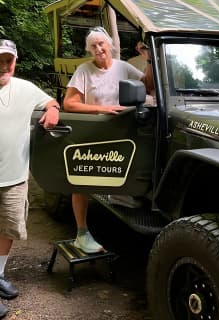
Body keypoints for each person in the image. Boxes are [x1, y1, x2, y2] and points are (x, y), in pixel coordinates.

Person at [63, 27, 154, 255]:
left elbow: (148, 86)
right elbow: (70, 104)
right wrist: (102, 109)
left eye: (101, 44)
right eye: (93, 46)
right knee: (82, 179)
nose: (98, 49)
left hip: (123, 130)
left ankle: (120, 197)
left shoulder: (123, 68)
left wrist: (150, 59)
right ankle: (82, 233)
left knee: (124, 168)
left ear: (110, 45)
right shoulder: (85, 70)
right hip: (95, 130)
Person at [0, 39, 60, 318]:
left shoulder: (24, 88)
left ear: (15, 61)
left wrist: (53, 110)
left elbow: (50, 100)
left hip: (14, 177)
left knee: (8, 230)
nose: (3, 65)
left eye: (7, 60)